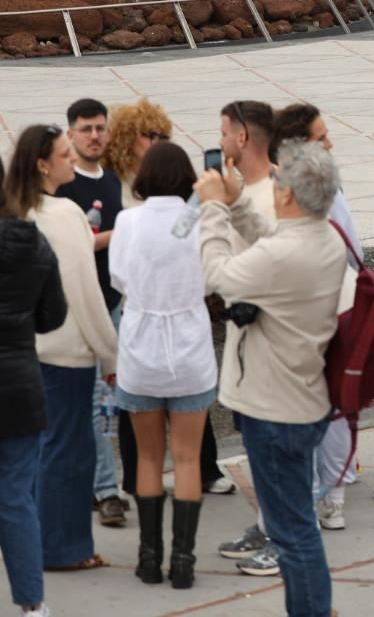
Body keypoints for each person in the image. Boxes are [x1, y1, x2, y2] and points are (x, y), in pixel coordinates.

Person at [194, 139, 345, 615]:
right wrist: (239, 203)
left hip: (274, 411)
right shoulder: (326, 237)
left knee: (292, 533)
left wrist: (214, 210)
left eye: (277, 180)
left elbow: (220, 273)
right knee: (295, 525)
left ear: (287, 196)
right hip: (302, 401)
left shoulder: (286, 255)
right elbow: (272, 243)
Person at [6, 125, 116, 575]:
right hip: (68, 353)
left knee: (34, 457)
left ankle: (37, 543)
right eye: (65, 153)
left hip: (25, 353)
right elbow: (84, 293)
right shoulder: (66, 214)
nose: (73, 160)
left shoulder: (18, 212)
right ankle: (65, 548)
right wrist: (111, 354)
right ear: (42, 163)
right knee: (70, 456)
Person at [108, 142, 216, 589]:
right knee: (188, 458)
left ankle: (149, 558)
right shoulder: (201, 221)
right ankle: (184, 562)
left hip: (141, 349)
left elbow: (118, 278)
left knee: (148, 456)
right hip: (190, 347)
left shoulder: (128, 221)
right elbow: (213, 277)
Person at [56, 98, 128, 526]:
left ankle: (101, 488)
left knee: (105, 403)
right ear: (70, 134)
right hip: (75, 310)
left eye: (100, 128)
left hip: (113, 305)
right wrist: (124, 233)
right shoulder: (65, 186)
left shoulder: (113, 181)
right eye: (86, 129)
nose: (95, 136)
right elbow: (72, 244)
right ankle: (102, 490)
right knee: (86, 402)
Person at [0, 158, 66, 617]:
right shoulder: (32, 241)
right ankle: (32, 604)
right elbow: (52, 316)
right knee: (16, 497)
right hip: (20, 386)